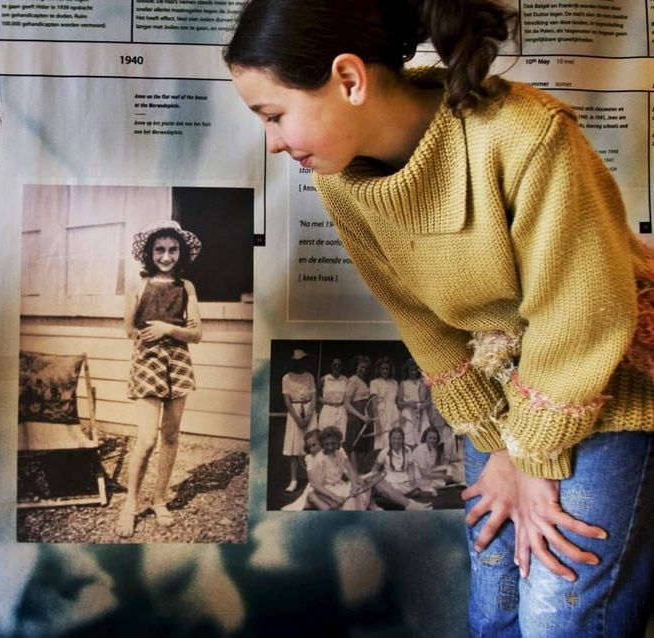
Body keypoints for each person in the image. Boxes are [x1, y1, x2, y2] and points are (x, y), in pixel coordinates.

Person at [225, 0, 654, 635]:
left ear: (349, 79)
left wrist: (533, 458)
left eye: (275, 115)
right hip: (510, 401)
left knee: (555, 619)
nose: (274, 141)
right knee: (495, 607)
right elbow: (422, 319)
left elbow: (580, 314)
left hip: (605, 381)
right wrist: (496, 442)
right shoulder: (343, 180)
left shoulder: (525, 134)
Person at [117, 219, 203, 538]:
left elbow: (197, 333)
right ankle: (130, 505)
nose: (166, 255)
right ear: (150, 252)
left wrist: (169, 329)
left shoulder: (187, 287)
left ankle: (160, 499)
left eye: (172, 249)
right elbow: (128, 328)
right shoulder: (137, 283)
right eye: (159, 249)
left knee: (170, 435)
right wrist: (146, 340)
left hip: (178, 360)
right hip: (148, 359)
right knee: (147, 438)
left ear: (180, 253)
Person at [281, 349, 317, 492]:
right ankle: (293, 480)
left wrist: (308, 417)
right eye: (297, 361)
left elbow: (314, 396)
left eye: (302, 360)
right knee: (294, 449)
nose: (300, 363)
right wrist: (298, 419)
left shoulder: (309, 376)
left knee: (313, 446)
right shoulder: (286, 378)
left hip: (309, 411)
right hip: (294, 414)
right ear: (292, 362)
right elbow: (287, 401)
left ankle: (314, 480)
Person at [342, 354, 374, 472]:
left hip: (365, 417)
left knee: (362, 445)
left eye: (365, 368)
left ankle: (360, 472)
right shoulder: (353, 381)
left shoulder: (364, 382)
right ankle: (354, 474)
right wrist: (361, 416)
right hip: (355, 417)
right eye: (361, 367)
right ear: (356, 367)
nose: (363, 370)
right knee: (353, 445)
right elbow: (347, 403)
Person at [368, 356, 400, 453]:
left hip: (393, 413)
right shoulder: (374, 382)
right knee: (382, 441)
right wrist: (377, 422)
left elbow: (396, 401)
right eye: (382, 369)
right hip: (381, 413)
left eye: (387, 368)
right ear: (379, 369)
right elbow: (374, 404)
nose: (385, 371)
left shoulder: (395, 383)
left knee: (394, 438)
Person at [397, 357, 429, 445]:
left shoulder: (423, 382)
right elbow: (399, 403)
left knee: (422, 436)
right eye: (411, 370)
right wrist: (408, 404)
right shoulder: (403, 383)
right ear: (407, 371)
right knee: (408, 437)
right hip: (408, 412)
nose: (413, 372)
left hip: (421, 412)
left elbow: (429, 399)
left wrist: (424, 405)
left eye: (415, 370)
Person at [318, 356, 348, 434]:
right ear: (331, 366)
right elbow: (316, 393)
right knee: (325, 433)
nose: (337, 367)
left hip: (341, 409)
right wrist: (324, 401)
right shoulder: (325, 379)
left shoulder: (345, 380)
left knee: (340, 434)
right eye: (335, 365)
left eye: (339, 365)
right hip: (327, 409)